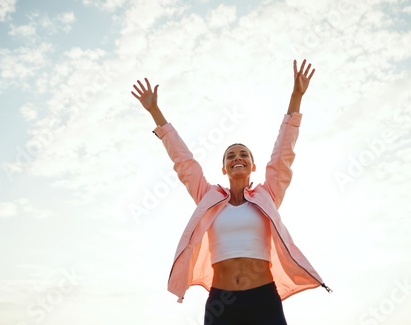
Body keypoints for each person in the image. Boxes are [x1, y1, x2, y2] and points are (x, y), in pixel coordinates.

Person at [131, 59, 330, 325]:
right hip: (221, 303)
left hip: (263, 301)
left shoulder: (266, 195)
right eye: (231, 156)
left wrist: (296, 97)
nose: (238, 158)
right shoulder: (209, 198)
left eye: (244, 154)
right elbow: (184, 162)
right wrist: (156, 112)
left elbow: (283, 154)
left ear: (253, 165)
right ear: (224, 168)